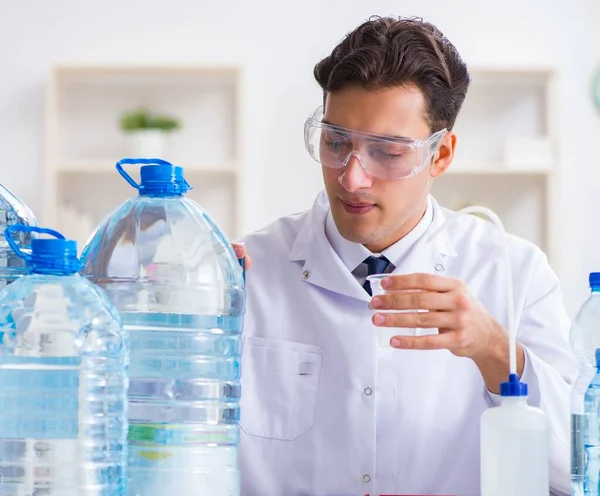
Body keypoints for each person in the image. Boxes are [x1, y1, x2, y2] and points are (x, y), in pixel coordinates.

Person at [233, 15, 576, 496]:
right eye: (336, 143)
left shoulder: (514, 274)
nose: (352, 178)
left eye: (388, 152)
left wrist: (497, 352)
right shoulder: (249, 271)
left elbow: (578, 472)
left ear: (441, 155)